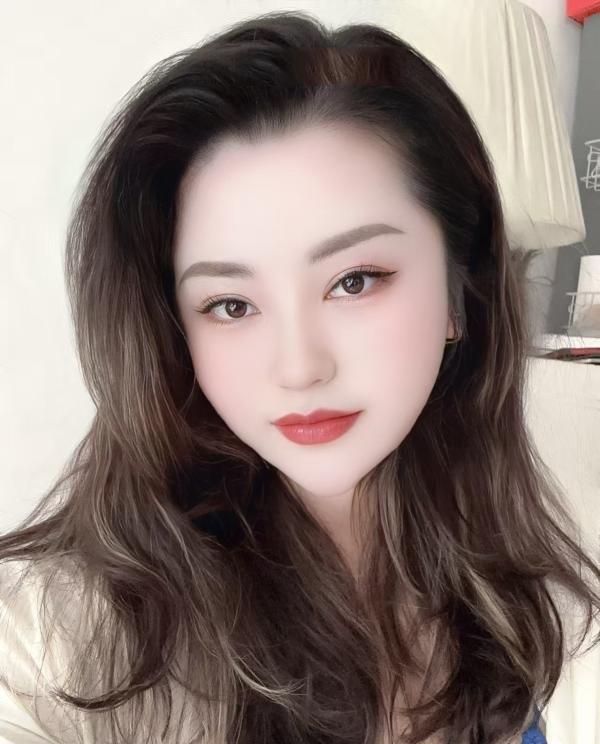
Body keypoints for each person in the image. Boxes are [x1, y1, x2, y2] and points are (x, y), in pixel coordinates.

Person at [1, 9, 598, 744]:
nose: (299, 367)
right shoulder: (57, 645)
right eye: (230, 304)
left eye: (354, 281)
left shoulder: (528, 595)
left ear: (459, 291)